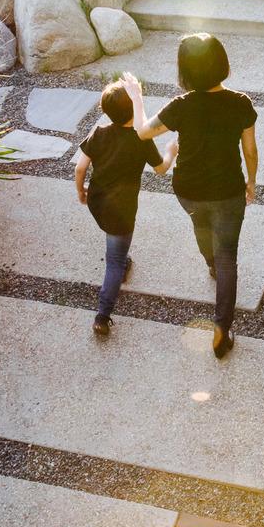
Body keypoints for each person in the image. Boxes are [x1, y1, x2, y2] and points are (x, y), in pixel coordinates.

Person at [122, 33, 258, 359]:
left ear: (185, 72)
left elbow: (142, 132)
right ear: (222, 63)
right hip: (228, 190)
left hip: (189, 189)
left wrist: (137, 98)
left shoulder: (180, 106)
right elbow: (250, 150)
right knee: (229, 257)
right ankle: (222, 327)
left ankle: (210, 263)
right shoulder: (241, 103)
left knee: (201, 227)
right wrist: (251, 182)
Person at [75, 80, 178, 338]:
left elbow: (80, 167)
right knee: (114, 263)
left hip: (98, 203)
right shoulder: (140, 139)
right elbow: (161, 169)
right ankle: (102, 315)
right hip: (122, 211)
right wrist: (171, 152)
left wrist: (81, 190)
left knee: (115, 245)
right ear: (134, 109)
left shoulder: (98, 132)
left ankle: (123, 259)